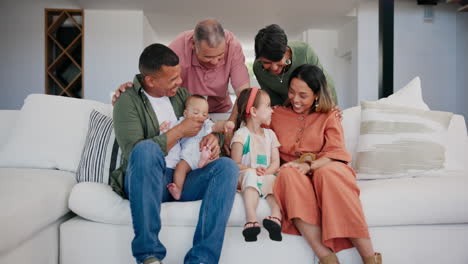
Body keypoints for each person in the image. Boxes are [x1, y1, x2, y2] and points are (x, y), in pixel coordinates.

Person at [111, 43, 239, 264]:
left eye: (179, 76)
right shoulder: (127, 101)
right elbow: (135, 155)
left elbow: (203, 123)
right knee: (145, 148)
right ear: (150, 81)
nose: (180, 83)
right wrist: (178, 131)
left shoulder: (180, 95)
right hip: (149, 181)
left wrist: (213, 139)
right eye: (173, 80)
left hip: (184, 179)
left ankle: (201, 259)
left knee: (227, 167)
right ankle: (149, 256)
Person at [269, 64, 381, 264]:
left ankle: (370, 259)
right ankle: (328, 260)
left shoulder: (329, 115)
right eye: (292, 92)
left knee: (327, 175)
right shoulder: (276, 115)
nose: (295, 99)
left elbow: (336, 151)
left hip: (328, 164)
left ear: (317, 95)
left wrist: (311, 166)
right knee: (288, 173)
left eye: (303, 95)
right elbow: (252, 124)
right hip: (296, 171)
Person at [113, 19, 250, 113]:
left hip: (220, 110)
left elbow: (244, 93)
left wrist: (232, 123)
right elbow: (157, 77)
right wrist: (132, 90)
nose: (215, 62)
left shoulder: (233, 45)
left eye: (220, 56)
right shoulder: (179, 47)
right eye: (208, 57)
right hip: (186, 111)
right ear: (193, 45)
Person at [230, 88, 282, 242]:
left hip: (265, 174)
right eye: (267, 106)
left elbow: (275, 162)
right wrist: (253, 170)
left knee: (274, 180)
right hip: (246, 174)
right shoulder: (241, 135)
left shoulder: (270, 135)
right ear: (254, 111)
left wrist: (266, 173)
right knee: (251, 176)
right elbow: (234, 164)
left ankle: (276, 217)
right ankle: (251, 220)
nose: (272, 110)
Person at [166, 95, 235, 200]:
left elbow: (216, 127)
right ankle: (178, 189)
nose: (200, 117)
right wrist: (164, 128)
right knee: (180, 167)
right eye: (195, 113)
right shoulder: (181, 123)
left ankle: (208, 165)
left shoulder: (205, 124)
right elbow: (171, 131)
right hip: (188, 157)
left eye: (204, 114)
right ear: (185, 114)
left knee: (217, 161)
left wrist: (225, 124)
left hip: (204, 152)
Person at [253, 24, 337, 107]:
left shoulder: (305, 52)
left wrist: (330, 107)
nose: (274, 68)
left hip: (322, 95)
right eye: (267, 63)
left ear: (286, 50)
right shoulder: (258, 68)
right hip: (290, 103)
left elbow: (321, 83)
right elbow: (274, 100)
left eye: (277, 60)